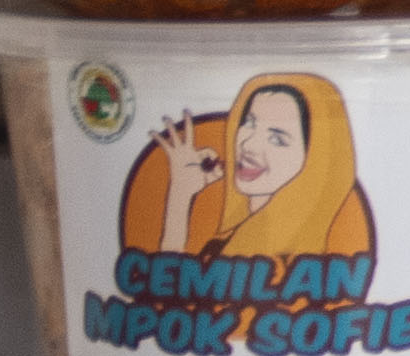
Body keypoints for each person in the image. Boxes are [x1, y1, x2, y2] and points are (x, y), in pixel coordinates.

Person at [126, 74, 375, 274]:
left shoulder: (295, 256)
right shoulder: (228, 238)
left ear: (314, 156)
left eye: (277, 138)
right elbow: (167, 294)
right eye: (249, 123)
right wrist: (180, 195)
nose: (249, 146)